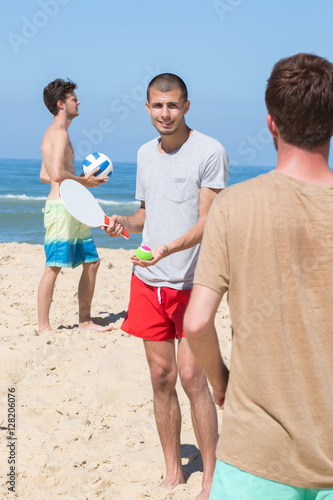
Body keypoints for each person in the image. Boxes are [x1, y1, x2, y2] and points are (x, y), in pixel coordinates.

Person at [184, 53, 333, 499]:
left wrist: (221, 381)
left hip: (257, 453)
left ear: (271, 123)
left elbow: (195, 323)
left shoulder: (234, 206)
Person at [103, 73, 229, 499]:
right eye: (157, 106)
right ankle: (174, 470)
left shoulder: (210, 152)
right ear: (147, 108)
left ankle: (210, 474)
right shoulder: (143, 153)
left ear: (186, 107)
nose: (165, 113)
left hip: (195, 281)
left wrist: (168, 248)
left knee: (193, 377)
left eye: (173, 105)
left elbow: (208, 221)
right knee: (161, 377)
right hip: (148, 280)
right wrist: (126, 222)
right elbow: (145, 215)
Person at [38, 78, 113, 334]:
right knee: (54, 266)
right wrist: (85, 181)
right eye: (73, 98)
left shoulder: (54, 134)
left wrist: (77, 182)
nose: (78, 101)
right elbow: (57, 174)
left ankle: (85, 321)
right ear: (61, 104)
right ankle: (43, 327)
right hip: (61, 208)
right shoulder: (59, 134)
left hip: (73, 205)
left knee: (91, 262)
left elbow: (44, 175)